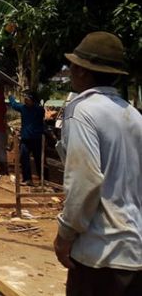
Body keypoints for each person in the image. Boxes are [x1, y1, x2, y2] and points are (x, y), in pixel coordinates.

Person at [54, 31, 142, 295]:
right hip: (134, 253)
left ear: (82, 71)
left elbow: (85, 182)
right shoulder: (132, 115)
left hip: (100, 254)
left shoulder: (83, 112)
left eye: (73, 66)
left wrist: (65, 236)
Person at [8, 90, 45, 185]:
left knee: (39, 160)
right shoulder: (23, 108)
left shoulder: (39, 110)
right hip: (25, 139)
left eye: (27, 99)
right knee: (24, 159)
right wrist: (10, 96)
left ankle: (44, 179)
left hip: (36, 139)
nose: (25, 100)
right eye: (25, 99)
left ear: (32, 100)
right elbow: (14, 104)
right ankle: (27, 179)